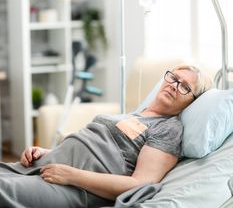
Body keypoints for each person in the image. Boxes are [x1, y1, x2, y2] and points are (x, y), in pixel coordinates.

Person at [0, 64, 213, 208]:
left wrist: (71, 176)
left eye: (184, 86)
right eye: (173, 78)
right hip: (46, 165)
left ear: (192, 101)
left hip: (70, 185)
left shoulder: (169, 129)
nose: (174, 85)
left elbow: (141, 183)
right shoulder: (136, 114)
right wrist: (46, 152)